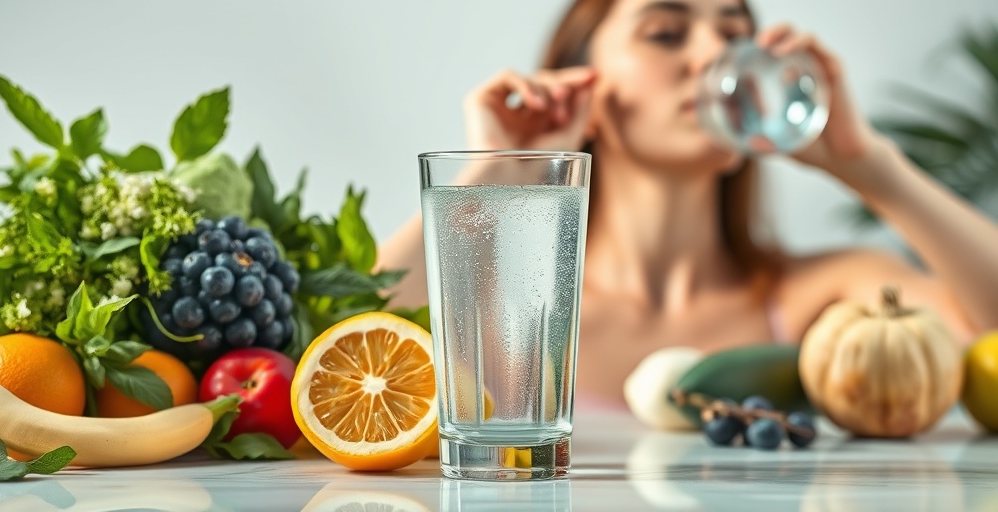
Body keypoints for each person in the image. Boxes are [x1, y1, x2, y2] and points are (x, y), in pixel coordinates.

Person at [378, 0, 998, 408]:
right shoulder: (492, 317)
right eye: (667, 33)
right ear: (581, 79)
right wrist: (500, 169)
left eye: (735, 36)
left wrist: (874, 168)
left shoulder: (823, 297)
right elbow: (336, 333)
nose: (713, 57)